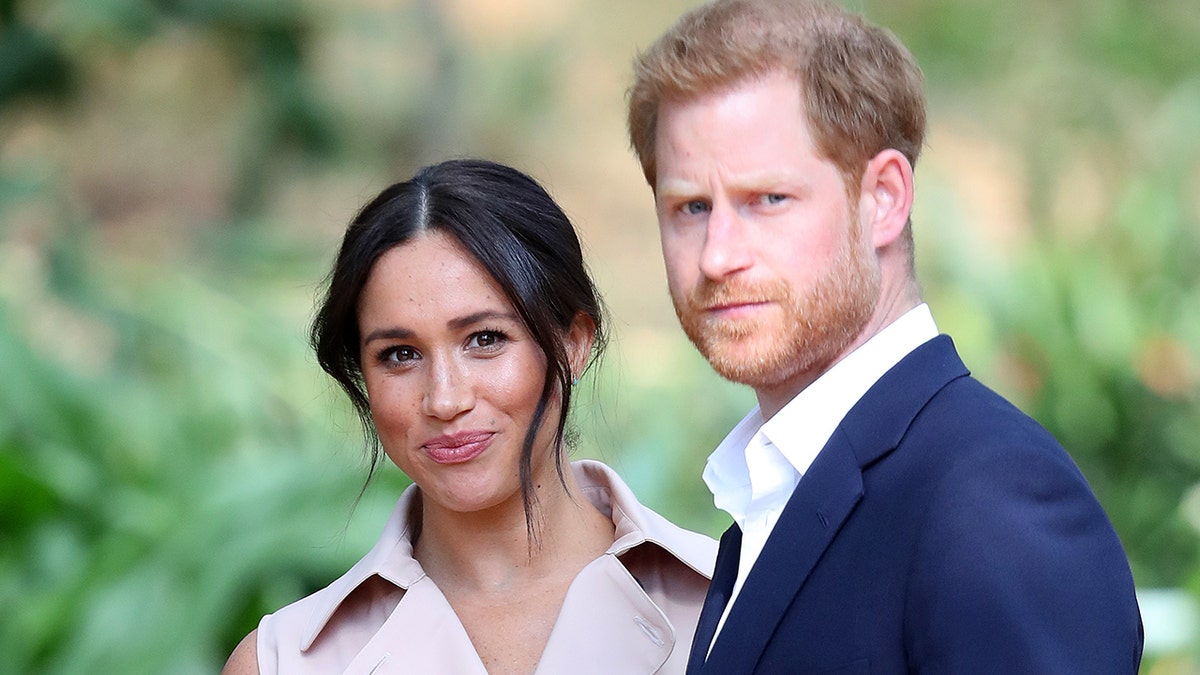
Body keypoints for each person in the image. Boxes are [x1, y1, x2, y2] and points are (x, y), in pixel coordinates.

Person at [626, 0, 1144, 672]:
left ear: (885, 199)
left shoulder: (991, 502)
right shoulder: (774, 497)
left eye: (767, 199)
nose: (717, 255)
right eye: (691, 207)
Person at [221, 158, 716, 674]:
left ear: (572, 344)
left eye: (485, 340)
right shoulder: (282, 662)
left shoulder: (730, 605)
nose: (444, 399)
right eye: (399, 354)